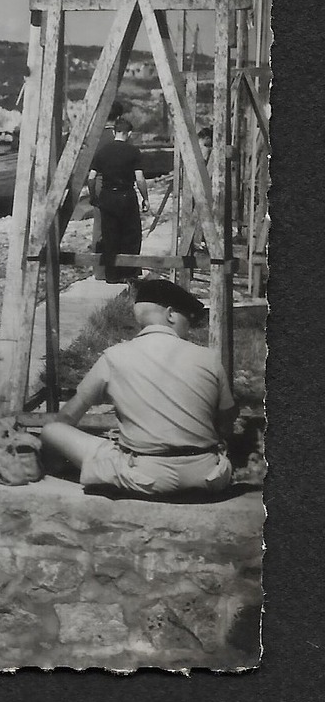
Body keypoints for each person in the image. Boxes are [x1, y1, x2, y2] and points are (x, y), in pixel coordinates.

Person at [40, 277, 235, 498]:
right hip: (208, 476)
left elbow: (68, 416)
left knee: (51, 430)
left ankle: (55, 471)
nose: (188, 328)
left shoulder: (114, 357)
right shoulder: (208, 358)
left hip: (146, 478)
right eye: (187, 320)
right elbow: (226, 423)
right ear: (170, 314)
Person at [89, 116, 148, 283]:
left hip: (107, 196)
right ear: (128, 134)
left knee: (110, 236)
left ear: (114, 132)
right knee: (131, 235)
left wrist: (94, 197)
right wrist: (145, 199)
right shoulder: (133, 152)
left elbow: (91, 178)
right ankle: (128, 274)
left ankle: (112, 276)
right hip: (126, 195)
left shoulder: (102, 152)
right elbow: (140, 178)